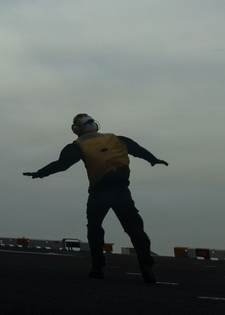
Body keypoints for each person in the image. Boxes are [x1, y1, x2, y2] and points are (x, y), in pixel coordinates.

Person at [23, 114, 168, 283]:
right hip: (121, 189)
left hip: (99, 190)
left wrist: (39, 174)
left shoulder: (77, 145)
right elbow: (138, 150)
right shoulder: (116, 138)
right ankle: (146, 267)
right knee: (135, 229)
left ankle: (97, 267)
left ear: (76, 129)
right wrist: (153, 160)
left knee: (95, 228)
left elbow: (61, 165)